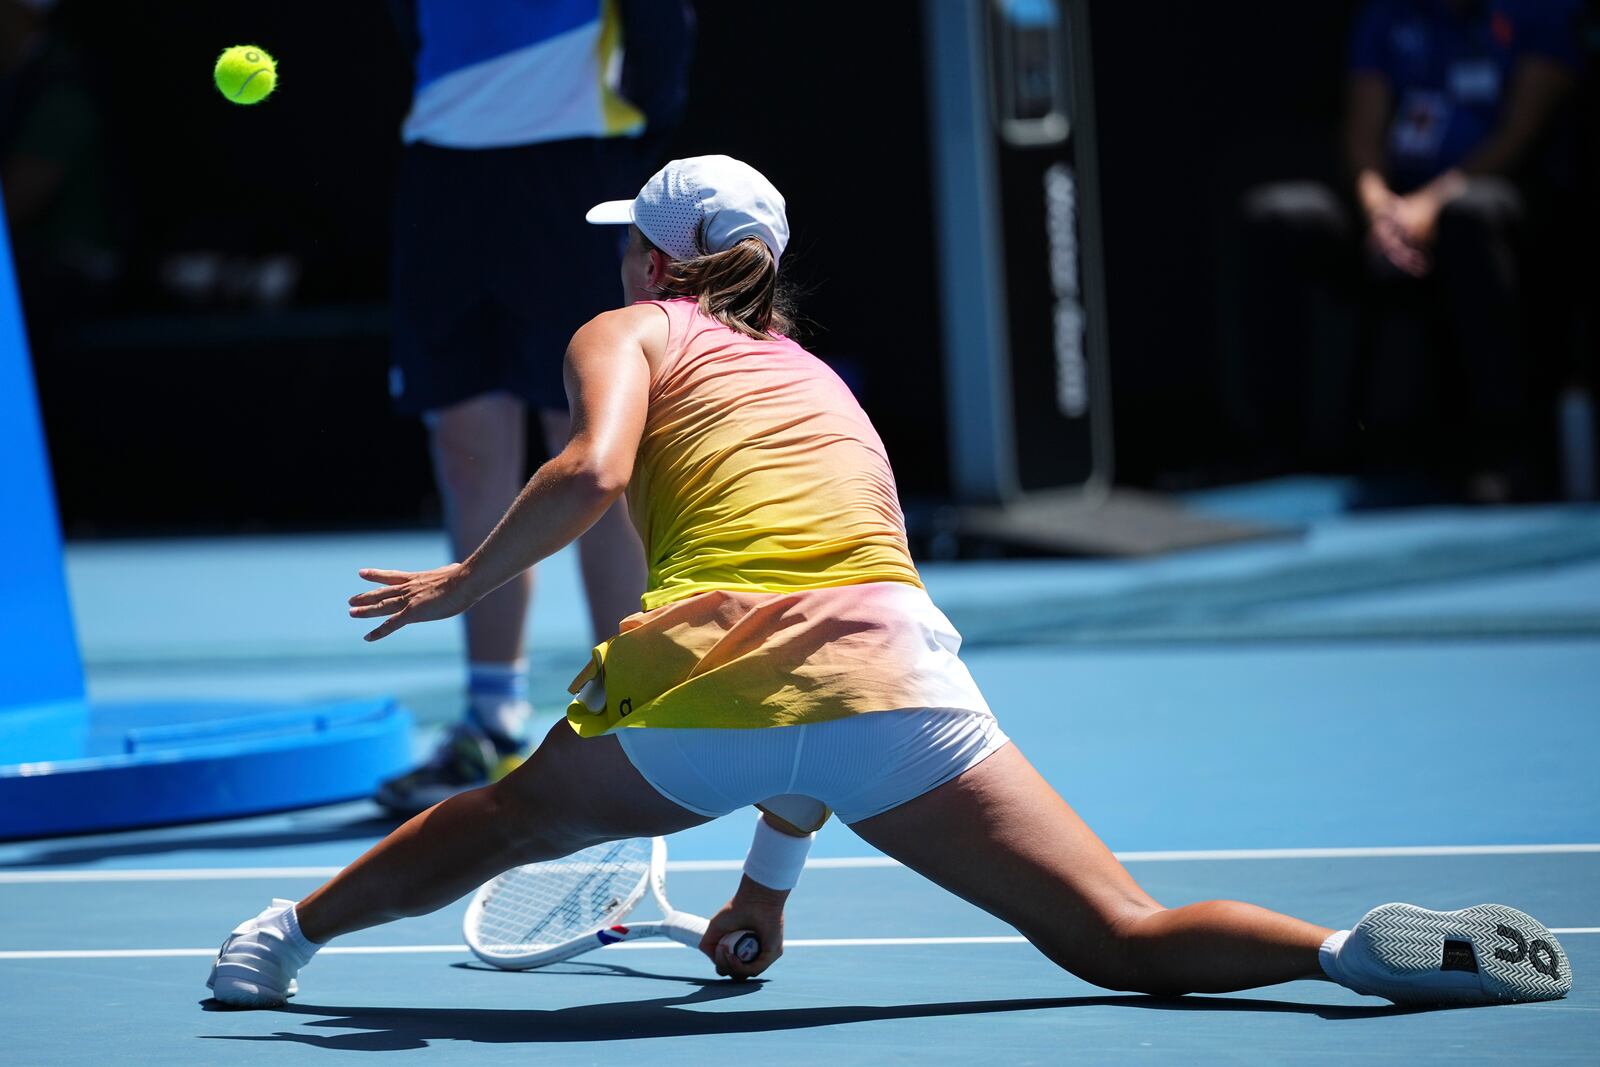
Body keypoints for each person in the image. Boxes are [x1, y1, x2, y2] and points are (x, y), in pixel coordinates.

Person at [208, 156, 1571, 1010]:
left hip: (709, 685)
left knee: (499, 819)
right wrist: (769, 891)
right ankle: (1343, 952)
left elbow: (591, 473)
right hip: (901, 685)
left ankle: (279, 940)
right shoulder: (824, 385)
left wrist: (468, 578)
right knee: (1122, 932)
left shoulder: (627, 325)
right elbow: (825, 670)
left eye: (635, 241)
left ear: (661, 262)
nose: (622, 258)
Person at [375, 0, 694, 814]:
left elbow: (662, 46)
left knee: (591, 440)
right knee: (465, 442)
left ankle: (635, 712)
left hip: (575, 167)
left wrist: (628, 142)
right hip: (444, 171)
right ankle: (491, 717)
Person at [1235, 0, 1580, 502]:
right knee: (1275, 217)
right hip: (1392, 212)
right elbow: (1362, 133)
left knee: (1470, 216)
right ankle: (1275, 450)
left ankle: (1506, 454)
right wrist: (1381, 210)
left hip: (1501, 207)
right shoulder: (1387, 17)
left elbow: (1518, 135)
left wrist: (1430, 206)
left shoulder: (1538, 13)